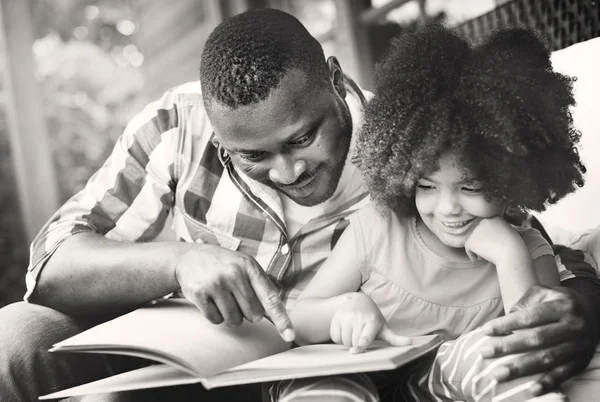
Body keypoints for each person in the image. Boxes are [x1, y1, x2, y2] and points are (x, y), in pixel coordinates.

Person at [0, 8, 597, 402]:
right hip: (178, 356)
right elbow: (50, 266)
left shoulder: (409, 147)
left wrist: (579, 308)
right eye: (251, 157)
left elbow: (534, 244)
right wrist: (178, 261)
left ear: (334, 81)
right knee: (14, 339)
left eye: (302, 138)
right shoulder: (174, 127)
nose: (287, 172)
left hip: (306, 371)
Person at [270, 24, 597, 402]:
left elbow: (530, 351)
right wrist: (343, 309)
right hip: (357, 371)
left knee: (494, 357)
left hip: (438, 381)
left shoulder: (528, 250)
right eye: (426, 186)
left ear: (514, 180)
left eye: (471, 187)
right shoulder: (379, 226)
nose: (446, 208)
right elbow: (297, 323)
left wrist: (509, 254)